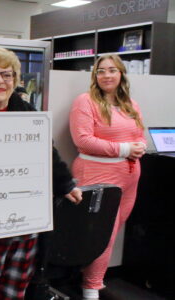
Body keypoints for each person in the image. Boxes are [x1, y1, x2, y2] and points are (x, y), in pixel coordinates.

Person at [0, 47, 82, 300]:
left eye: (7, 75)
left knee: (14, 291)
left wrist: (66, 184)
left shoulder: (28, 115)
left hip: (24, 225)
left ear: (16, 81)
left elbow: (48, 155)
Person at [69, 54, 146, 300]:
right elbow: (83, 140)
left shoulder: (130, 104)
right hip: (98, 175)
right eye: (101, 71)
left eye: (112, 70)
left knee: (110, 235)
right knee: (101, 234)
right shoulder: (85, 101)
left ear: (121, 73)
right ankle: (91, 289)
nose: (106, 76)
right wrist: (125, 149)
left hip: (129, 177)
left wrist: (140, 146)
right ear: (95, 76)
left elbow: (140, 133)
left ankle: (93, 281)